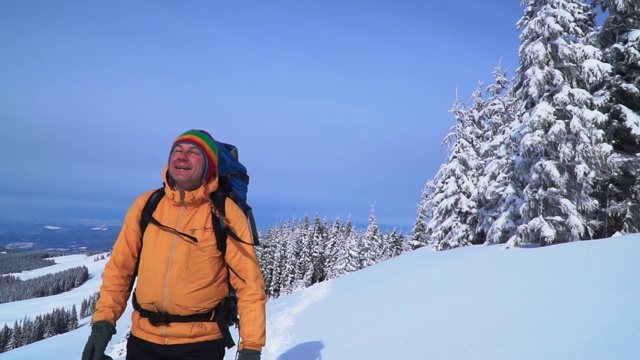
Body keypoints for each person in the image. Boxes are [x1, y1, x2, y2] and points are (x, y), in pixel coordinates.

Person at [82, 129, 267, 360]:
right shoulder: (147, 205)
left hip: (201, 344)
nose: (182, 156)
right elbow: (120, 270)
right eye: (177, 150)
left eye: (193, 152)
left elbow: (249, 286)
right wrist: (102, 326)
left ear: (209, 165)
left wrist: (250, 347)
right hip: (143, 340)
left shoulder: (225, 212)